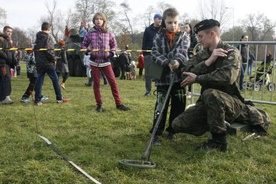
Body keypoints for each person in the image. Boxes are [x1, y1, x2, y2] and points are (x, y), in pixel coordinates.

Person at [171, 19, 245, 152]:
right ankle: (217, 122)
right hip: (207, 103)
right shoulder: (203, 54)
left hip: (231, 102)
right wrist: (208, 62)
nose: (198, 40)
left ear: (212, 34)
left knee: (210, 93)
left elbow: (227, 77)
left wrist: (198, 78)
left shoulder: (231, 52)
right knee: (177, 124)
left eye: (200, 36)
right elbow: (185, 74)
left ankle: (219, 141)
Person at [150, 8, 189, 145]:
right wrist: (167, 62)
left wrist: (177, 62)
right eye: (169, 22)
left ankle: (173, 130)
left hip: (179, 78)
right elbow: (154, 53)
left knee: (179, 104)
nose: (173, 25)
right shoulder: (158, 36)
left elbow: (183, 52)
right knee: (161, 105)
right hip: (163, 78)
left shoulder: (184, 36)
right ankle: (156, 132)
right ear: (164, 22)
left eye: (175, 22)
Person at [81, 12, 130, 112]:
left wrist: (111, 54)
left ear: (104, 21)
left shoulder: (109, 33)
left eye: (100, 19)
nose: (98, 21)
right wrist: (86, 51)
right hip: (94, 62)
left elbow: (114, 45)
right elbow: (83, 45)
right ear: (94, 21)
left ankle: (118, 104)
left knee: (113, 83)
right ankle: (99, 105)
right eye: (96, 19)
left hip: (106, 61)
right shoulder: (90, 33)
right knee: (97, 84)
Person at [33, 22, 70, 105]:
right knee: (55, 80)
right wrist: (54, 59)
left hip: (39, 63)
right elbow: (49, 51)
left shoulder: (37, 38)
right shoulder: (48, 38)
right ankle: (59, 98)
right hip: (48, 63)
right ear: (48, 29)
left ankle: (37, 100)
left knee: (39, 81)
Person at [142, 13, 163, 96]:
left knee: (158, 73)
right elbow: (144, 42)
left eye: (161, 19)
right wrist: (145, 54)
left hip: (159, 54)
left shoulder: (162, 29)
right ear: (154, 19)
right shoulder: (148, 30)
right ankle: (148, 91)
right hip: (149, 54)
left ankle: (159, 90)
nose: (160, 20)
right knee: (148, 74)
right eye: (158, 18)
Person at [0, 26, 16, 104]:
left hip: (8, 63)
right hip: (2, 63)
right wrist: (5, 56)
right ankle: (6, 97)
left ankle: (2, 97)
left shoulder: (9, 41)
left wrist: (14, 61)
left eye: (11, 32)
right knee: (6, 79)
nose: (9, 33)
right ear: (4, 31)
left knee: (4, 79)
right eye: (8, 31)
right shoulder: (1, 39)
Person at [183, 23, 198, 99]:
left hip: (190, 57)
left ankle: (190, 92)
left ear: (190, 28)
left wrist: (190, 50)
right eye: (184, 27)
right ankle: (184, 91)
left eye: (186, 27)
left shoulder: (193, 37)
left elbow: (196, 47)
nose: (185, 29)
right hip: (183, 58)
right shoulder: (181, 36)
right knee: (183, 75)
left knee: (190, 74)